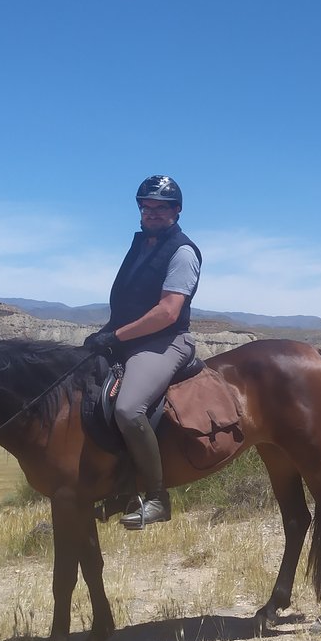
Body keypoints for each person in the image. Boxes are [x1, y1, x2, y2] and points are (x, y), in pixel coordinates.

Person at [83, 175, 201, 530]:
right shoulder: (141, 245)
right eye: (145, 206)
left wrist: (115, 336)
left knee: (128, 408)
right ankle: (118, 488)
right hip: (127, 338)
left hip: (164, 342)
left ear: (176, 211)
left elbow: (168, 311)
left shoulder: (182, 251)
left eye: (160, 207)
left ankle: (156, 497)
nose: (151, 212)